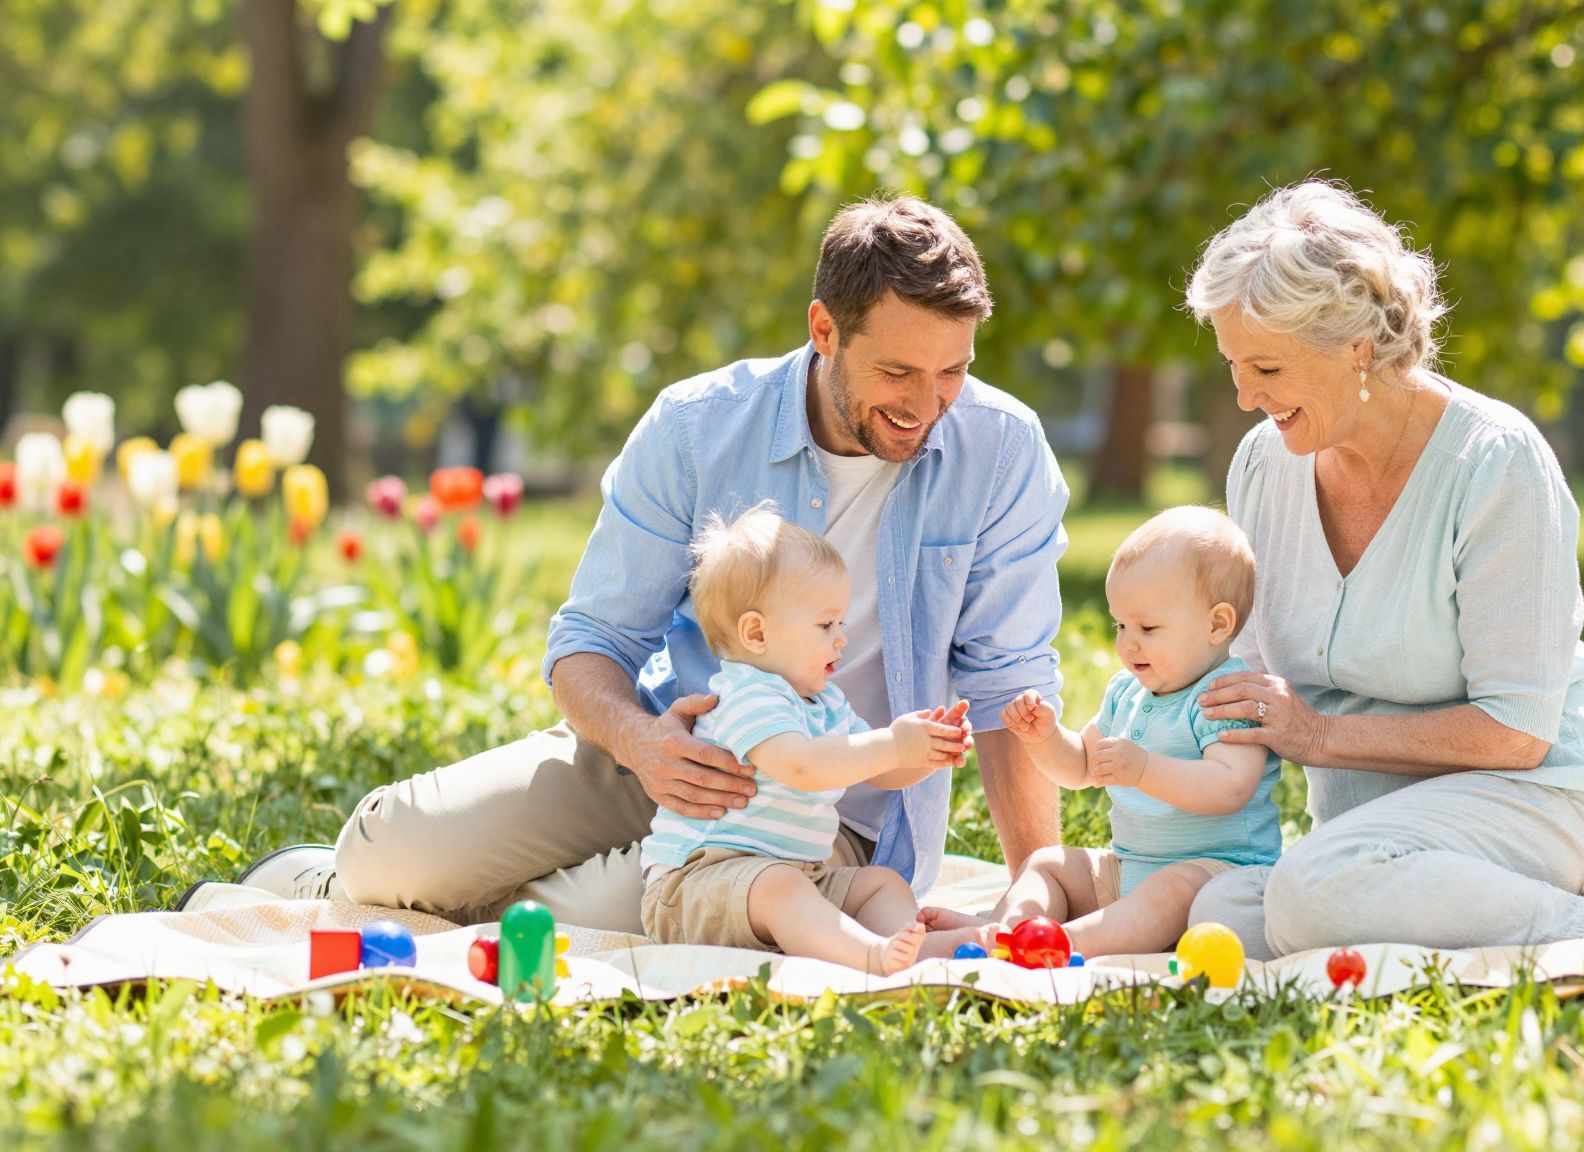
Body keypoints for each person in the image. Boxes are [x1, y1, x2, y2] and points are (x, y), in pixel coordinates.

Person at [236, 198, 1068, 934]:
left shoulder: (1002, 451)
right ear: (824, 331)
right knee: (389, 851)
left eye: (953, 371)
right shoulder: (697, 427)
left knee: (581, 922)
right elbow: (590, 641)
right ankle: (362, 880)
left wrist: (1038, 885)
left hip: (825, 818)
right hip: (661, 748)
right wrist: (643, 744)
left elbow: (1009, 691)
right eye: (898, 372)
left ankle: (472, 900)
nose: (927, 407)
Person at [1180, 180, 1584, 960]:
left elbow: (1517, 732)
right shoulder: (1265, 466)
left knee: (1308, 896)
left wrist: (1321, 735)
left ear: (1355, 345)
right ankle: (1421, 903)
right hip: (1367, 833)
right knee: (1221, 908)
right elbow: (1255, 694)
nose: (1242, 396)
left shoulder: (1496, 463)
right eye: (1235, 366)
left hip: (1528, 797)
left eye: (1265, 367)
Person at [918, 506, 1281, 960]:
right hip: (1128, 870)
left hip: (1216, 874)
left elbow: (1230, 788)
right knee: (1048, 863)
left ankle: (1061, 943)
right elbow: (1081, 767)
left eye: (1148, 628)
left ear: (1217, 624)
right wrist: (1045, 739)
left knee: (1171, 890)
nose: (1128, 643)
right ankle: (1004, 931)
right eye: (1120, 625)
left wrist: (1145, 769)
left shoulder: (1228, 695)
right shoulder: (1128, 691)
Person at [641, 508, 973, 973]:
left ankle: (910, 947)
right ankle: (870, 957)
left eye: (841, 624)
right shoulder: (744, 693)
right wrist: (894, 743)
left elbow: (882, 772)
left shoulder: (825, 703)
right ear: (756, 633)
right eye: (825, 625)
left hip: (797, 875)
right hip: (697, 883)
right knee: (781, 887)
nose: (841, 640)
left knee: (879, 882)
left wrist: (928, 752)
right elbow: (800, 765)